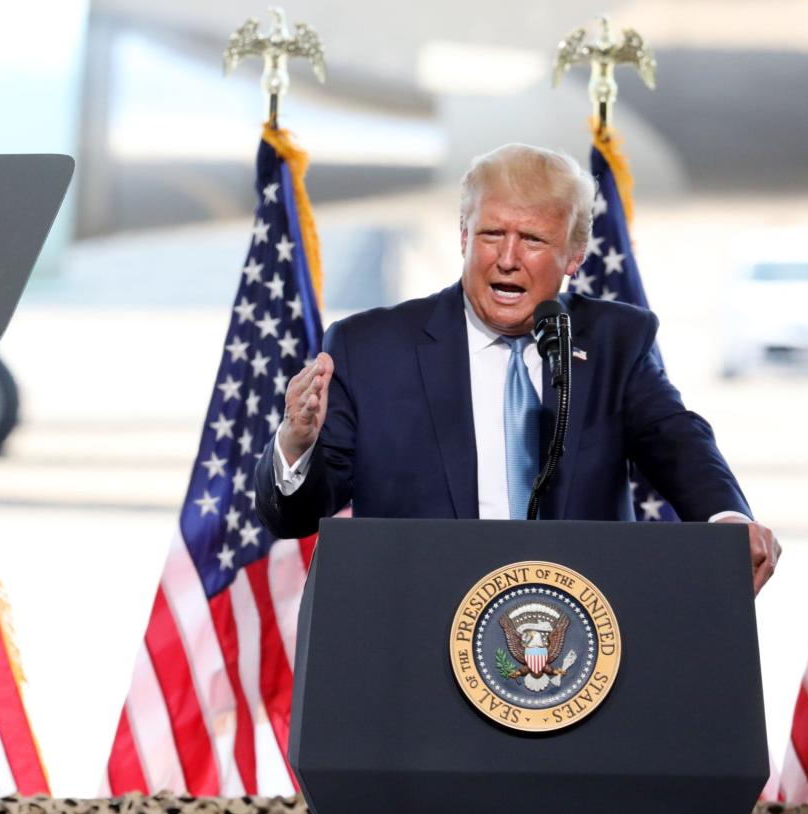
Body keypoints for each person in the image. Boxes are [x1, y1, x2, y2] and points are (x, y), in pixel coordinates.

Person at [255, 143, 780, 593]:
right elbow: (295, 516)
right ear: (463, 236)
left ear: (574, 255)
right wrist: (296, 446)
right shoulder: (370, 348)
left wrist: (727, 519)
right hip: (415, 633)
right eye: (490, 234)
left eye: (532, 240)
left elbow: (677, 440)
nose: (507, 258)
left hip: (577, 645)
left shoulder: (614, 341)